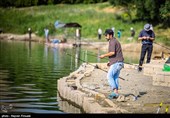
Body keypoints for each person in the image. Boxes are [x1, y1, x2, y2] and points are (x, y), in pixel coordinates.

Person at [99, 29, 124, 99]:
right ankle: (116, 93)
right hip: (119, 62)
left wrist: (103, 55)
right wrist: (110, 62)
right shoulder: (115, 41)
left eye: (106, 35)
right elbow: (116, 54)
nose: (105, 37)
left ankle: (115, 91)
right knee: (115, 77)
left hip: (117, 63)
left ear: (110, 35)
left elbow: (112, 52)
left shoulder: (112, 41)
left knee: (109, 76)